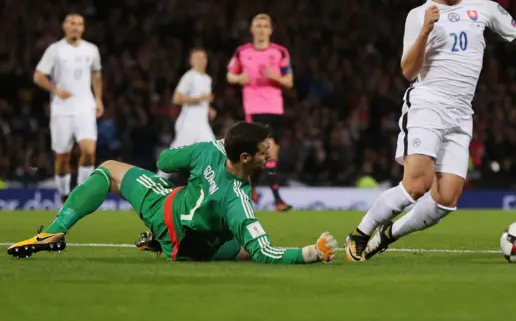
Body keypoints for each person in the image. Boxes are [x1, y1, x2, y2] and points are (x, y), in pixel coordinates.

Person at [345, 0, 516, 262]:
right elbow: (407, 71)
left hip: (461, 112)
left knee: (446, 199)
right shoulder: (419, 16)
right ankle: (360, 234)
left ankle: (388, 235)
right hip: (428, 103)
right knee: (417, 184)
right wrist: (426, 32)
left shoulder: (483, 8)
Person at [8, 122, 338, 264]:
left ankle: (55, 231)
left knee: (108, 170)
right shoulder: (237, 200)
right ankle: (163, 241)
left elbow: (163, 160)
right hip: (190, 246)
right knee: (249, 249)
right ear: (245, 158)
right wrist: (312, 252)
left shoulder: (209, 149)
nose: (270, 156)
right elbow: (267, 252)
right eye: (265, 151)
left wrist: (196, 155)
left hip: (165, 209)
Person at [33, 13, 103, 202]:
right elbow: (38, 76)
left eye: (79, 24)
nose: (76, 27)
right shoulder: (55, 50)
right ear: (64, 26)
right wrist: (55, 90)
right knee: (62, 157)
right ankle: (64, 195)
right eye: (72, 23)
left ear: (83, 28)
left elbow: (96, 74)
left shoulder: (92, 49)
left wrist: (98, 99)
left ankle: (81, 196)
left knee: (89, 151)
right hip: (62, 110)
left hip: (85, 107)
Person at [227, 13, 293, 211]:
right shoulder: (242, 52)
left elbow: (289, 81)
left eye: (266, 26)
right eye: (258, 26)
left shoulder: (280, 52)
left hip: (275, 109)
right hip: (254, 109)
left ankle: (252, 188)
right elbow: (230, 74)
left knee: (267, 156)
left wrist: (275, 77)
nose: (262, 29)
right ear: (252, 30)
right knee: (268, 154)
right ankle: (278, 200)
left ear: (270, 30)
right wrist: (239, 79)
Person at [157, 48, 216, 179]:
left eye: (203, 58)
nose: (201, 61)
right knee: (176, 154)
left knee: (213, 153)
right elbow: (176, 98)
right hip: (188, 123)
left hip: (202, 124)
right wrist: (197, 99)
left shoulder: (207, 79)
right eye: (197, 58)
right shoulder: (189, 77)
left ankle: (209, 188)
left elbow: (203, 101)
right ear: (191, 61)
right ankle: (157, 181)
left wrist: (208, 109)